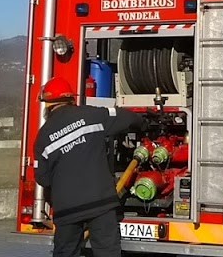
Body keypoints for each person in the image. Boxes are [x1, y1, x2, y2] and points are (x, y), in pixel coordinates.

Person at [34, 76, 144, 257]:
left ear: (46, 105)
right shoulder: (93, 115)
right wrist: (143, 123)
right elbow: (125, 117)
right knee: (107, 252)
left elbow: (43, 178)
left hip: (67, 210)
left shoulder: (43, 137)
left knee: (65, 253)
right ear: (71, 99)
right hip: (101, 204)